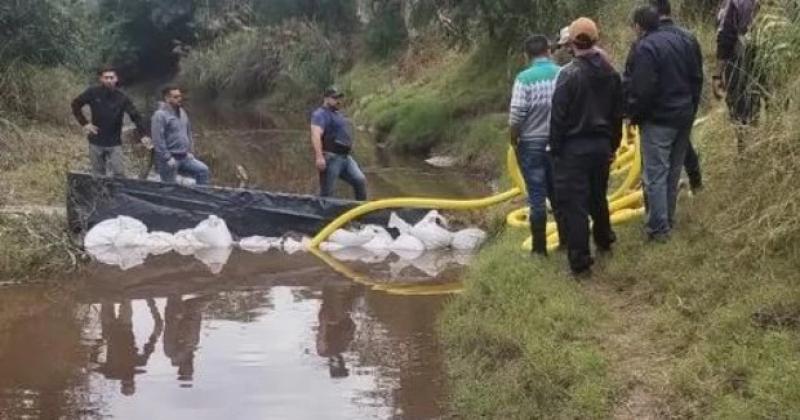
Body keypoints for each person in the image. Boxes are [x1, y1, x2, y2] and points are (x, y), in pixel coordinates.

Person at [550, 17, 623, 277]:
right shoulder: (611, 73)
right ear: (595, 39)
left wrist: (555, 150)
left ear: (571, 43)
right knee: (598, 196)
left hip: (573, 149)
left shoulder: (568, 76)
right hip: (602, 146)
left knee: (575, 205)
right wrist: (613, 145)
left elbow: (557, 119)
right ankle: (605, 240)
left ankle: (580, 263)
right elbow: (617, 115)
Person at [626, 5, 703, 242]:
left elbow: (643, 90)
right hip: (683, 115)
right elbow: (697, 77)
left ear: (639, 26)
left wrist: (634, 115)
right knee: (672, 171)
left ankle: (658, 229)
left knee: (656, 175)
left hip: (659, 119)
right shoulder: (685, 39)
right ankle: (667, 220)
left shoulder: (645, 47)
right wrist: (691, 109)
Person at [509, 34, 563, 256]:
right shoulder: (563, 73)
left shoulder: (524, 79)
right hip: (559, 143)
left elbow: (516, 116)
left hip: (531, 145)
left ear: (526, 55)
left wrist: (513, 139)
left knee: (537, 197)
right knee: (559, 193)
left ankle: (539, 249)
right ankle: (566, 240)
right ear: (549, 51)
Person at [649, 0, 705, 193]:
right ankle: (695, 181)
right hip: (685, 105)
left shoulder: (649, 40)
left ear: (652, 12)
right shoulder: (689, 38)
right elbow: (697, 75)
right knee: (683, 143)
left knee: (661, 158)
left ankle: (662, 206)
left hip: (660, 112)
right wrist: (693, 104)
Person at [71, 67, 150, 178]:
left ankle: (118, 195)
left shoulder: (122, 98)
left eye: (111, 77)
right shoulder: (93, 92)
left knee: (119, 174)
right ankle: (101, 195)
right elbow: (75, 104)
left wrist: (143, 134)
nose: (109, 80)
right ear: (101, 79)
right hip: (96, 140)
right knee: (98, 175)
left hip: (114, 142)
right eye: (106, 77)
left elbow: (135, 116)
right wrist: (85, 123)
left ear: (116, 79)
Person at [714, 0, 760, 152]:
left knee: (739, 106)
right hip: (769, 60)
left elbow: (725, 37)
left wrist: (717, 75)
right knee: (761, 101)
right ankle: (760, 143)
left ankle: (744, 148)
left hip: (741, 61)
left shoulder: (734, 4)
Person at [310, 87, 368, 201]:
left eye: (339, 98)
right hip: (331, 158)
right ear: (326, 99)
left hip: (346, 158)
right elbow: (315, 135)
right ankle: (322, 216)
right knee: (327, 192)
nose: (338, 101)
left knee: (360, 180)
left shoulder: (338, 114)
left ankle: (361, 212)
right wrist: (319, 157)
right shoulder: (320, 114)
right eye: (335, 98)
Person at [151, 86, 211, 185]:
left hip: (184, 157)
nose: (179, 99)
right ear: (167, 98)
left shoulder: (182, 112)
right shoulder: (160, 115)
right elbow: (158, 140)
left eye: (180, 96)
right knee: (170, 188)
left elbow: (188, 132)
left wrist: (190, 151)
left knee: (203, 170)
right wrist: (167, 158)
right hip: (169, 159)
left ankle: (200, 197)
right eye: (175, 97)